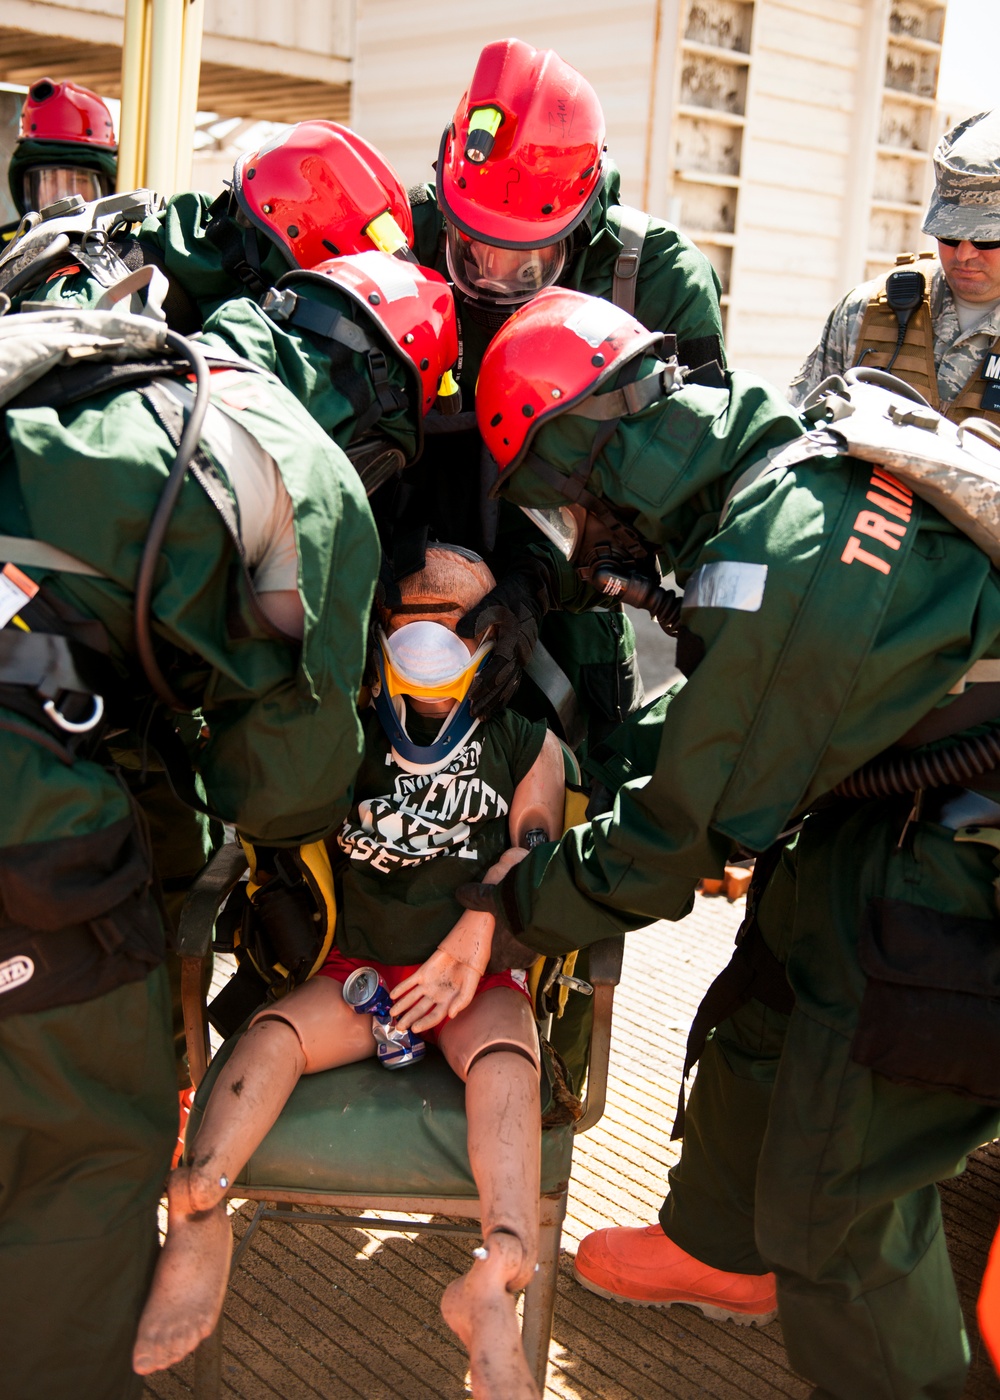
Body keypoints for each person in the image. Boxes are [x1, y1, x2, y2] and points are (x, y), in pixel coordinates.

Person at [454, 285, 1000, 1399]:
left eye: (565, 504)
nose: (585, 538)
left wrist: (509, 897)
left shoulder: (776, 561)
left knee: (832, 1194)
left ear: (590, 457)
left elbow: (676, 843)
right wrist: (591, 758)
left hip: (963, 868)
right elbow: (746, 708)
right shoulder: (790, 470)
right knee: (775, 973)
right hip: (905, 811)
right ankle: (721, 1245)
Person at [0, 254, 458, 1400]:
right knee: (82, 1142)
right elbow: (282, 788)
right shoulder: (299, 468)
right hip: (26, 800)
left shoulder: (100, 358)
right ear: (389, 424)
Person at [131, 544, 566, 1400]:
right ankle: (200, 1210)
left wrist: (476, 928)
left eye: (455, 622)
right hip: (351, 970)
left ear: (496, 639)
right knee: (273, 1038)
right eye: (413, 619)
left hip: (468, 978)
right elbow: (267, 795)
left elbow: (536, 850)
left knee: (509, 1059)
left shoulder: (524, 741)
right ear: (378, 632)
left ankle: (498, 1274)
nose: (432, 640)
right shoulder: (348, 733)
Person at [789, 107, 1000, 427]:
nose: (964, 254)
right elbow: (798, 431)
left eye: (985, 240)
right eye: (949, 235)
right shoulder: (864, 312)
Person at [2, 78, 117, 241]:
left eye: (79, 179)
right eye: (49, 179)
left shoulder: (128, 252)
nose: (63, 196)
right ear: (25, 188)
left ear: (107, 189)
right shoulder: (5, 253)